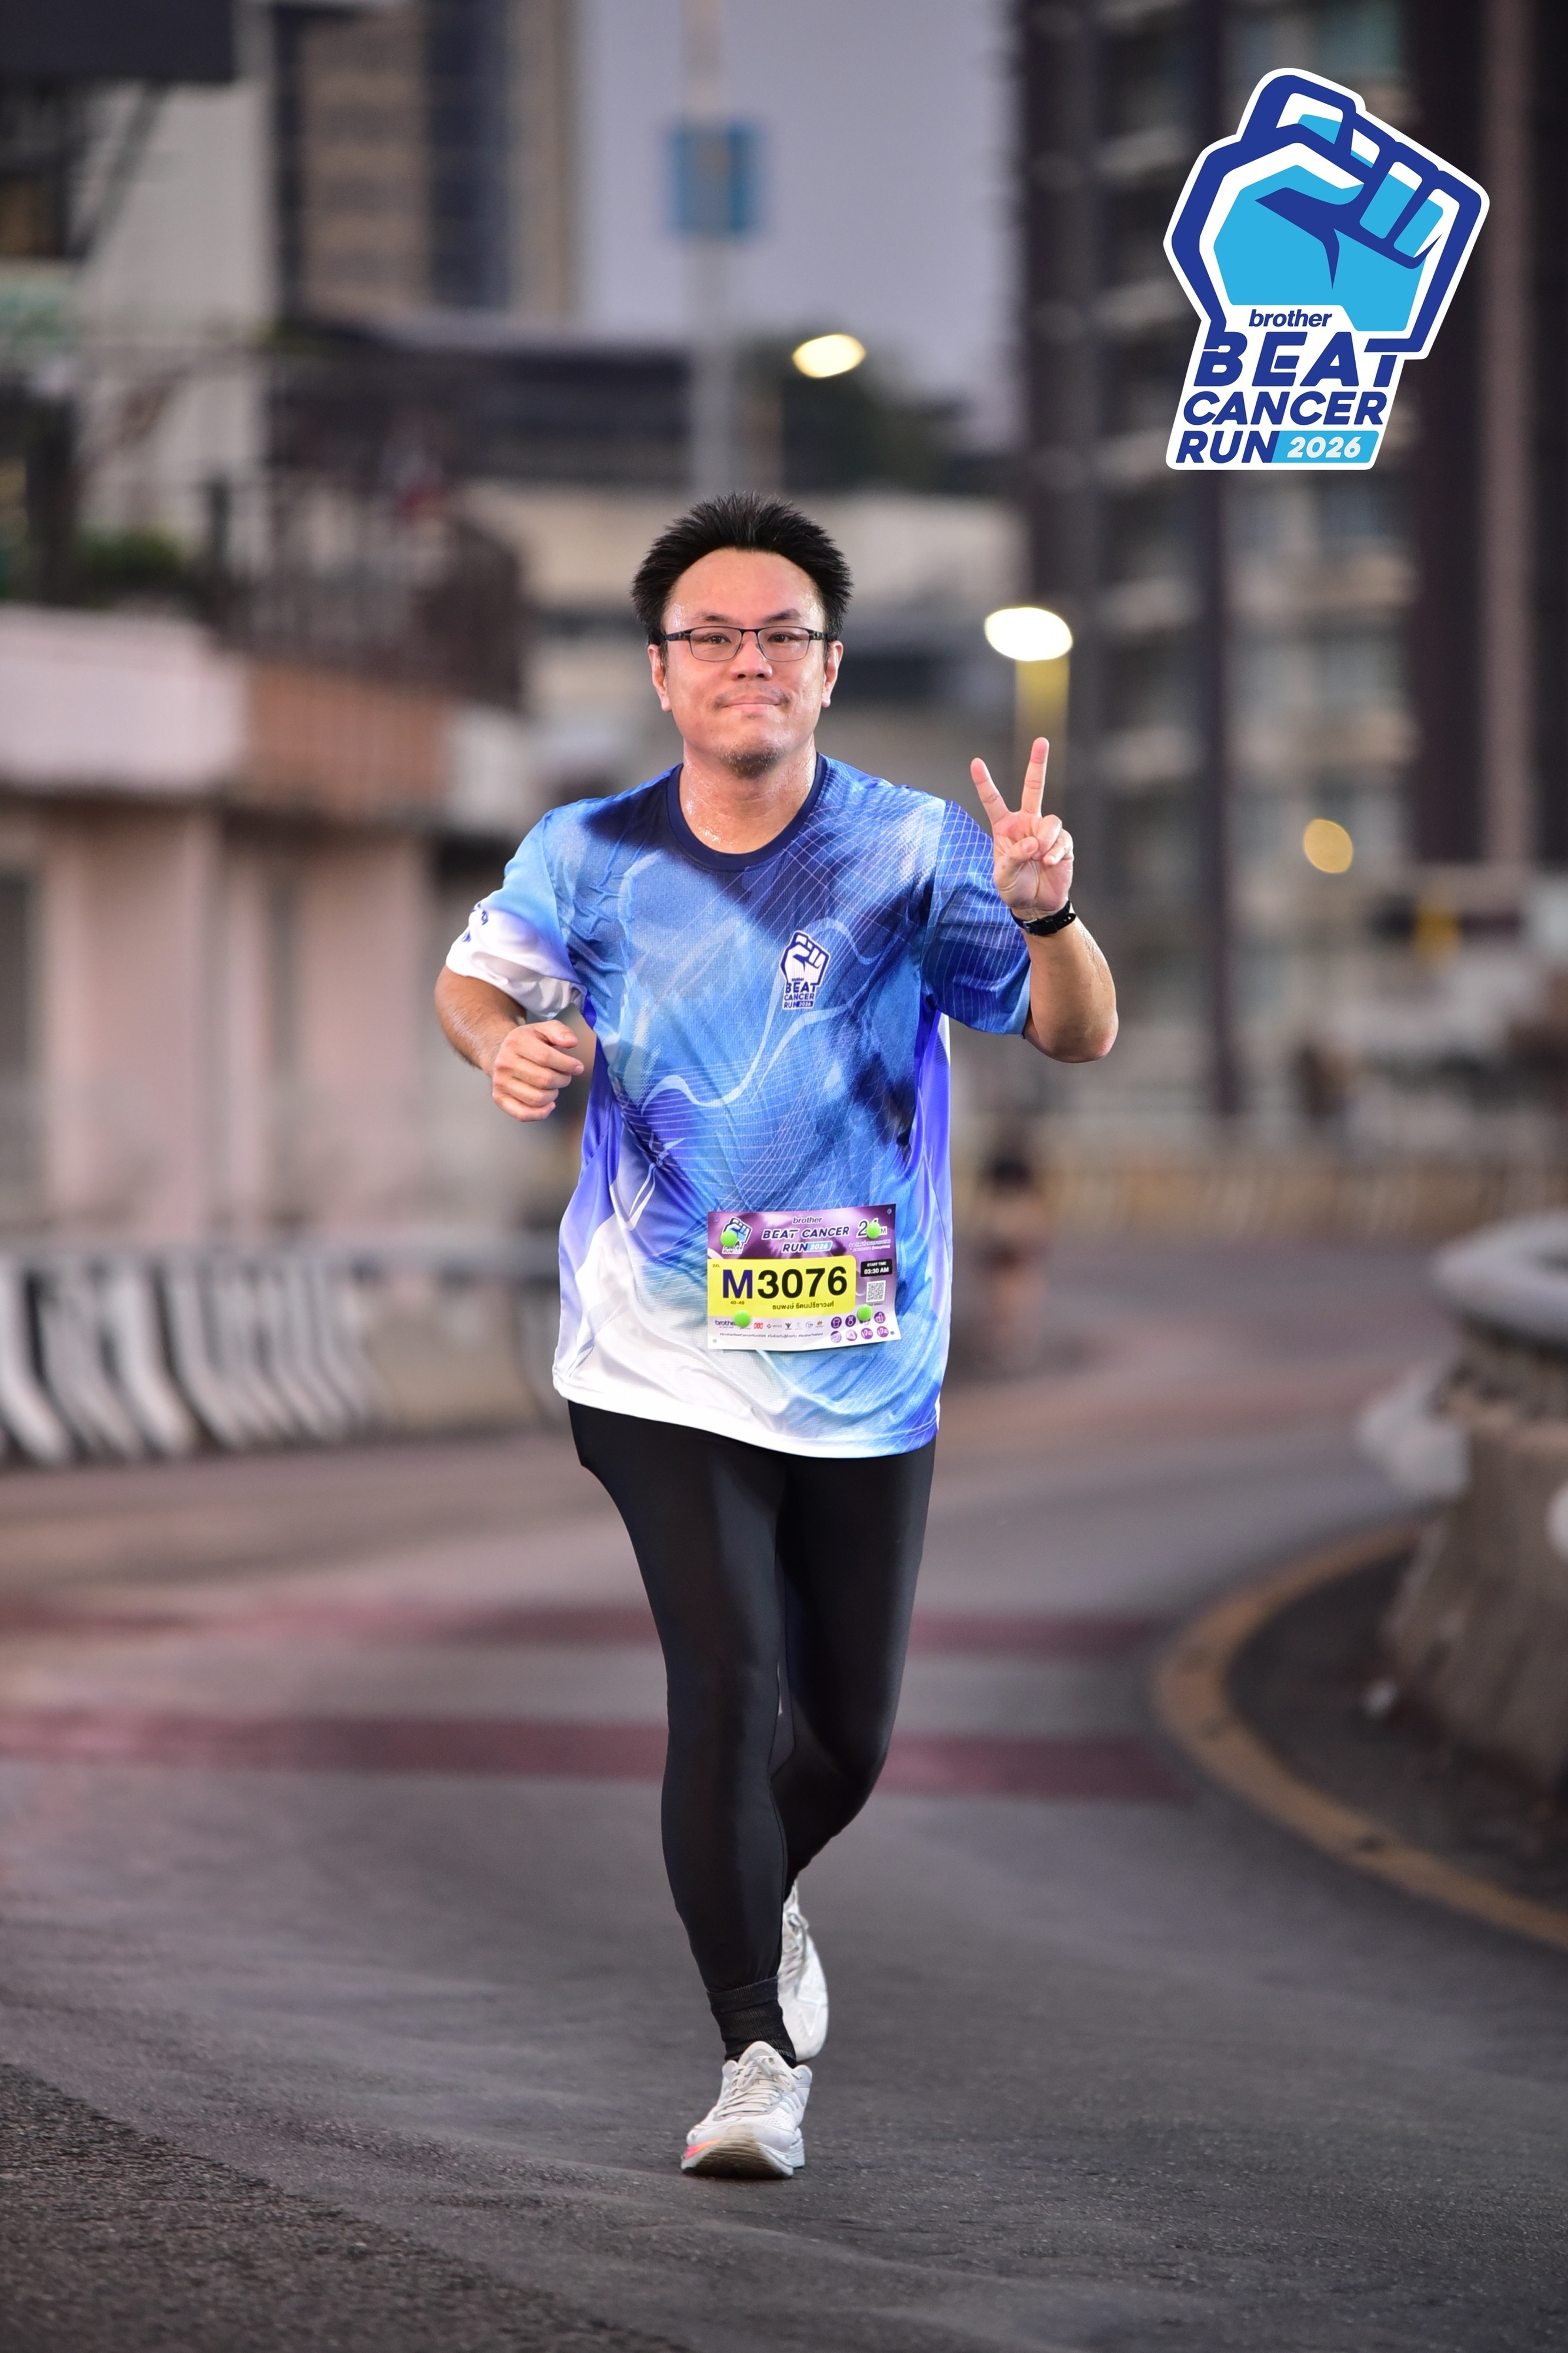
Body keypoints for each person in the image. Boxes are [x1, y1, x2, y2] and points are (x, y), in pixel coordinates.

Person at [435, 494, 1117, 2179]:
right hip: (652, 1349)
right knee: (728, 1678)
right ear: (662, 672)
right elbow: (473, 981)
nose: (750, 660)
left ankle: (759, 1886)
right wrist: (503, 1046)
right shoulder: (587, 851)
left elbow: (1078, 1034)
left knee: (848, 1740)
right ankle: (753, 2054)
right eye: (713, 636)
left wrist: (1047, 913)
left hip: (866, 1362)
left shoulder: (916, 848)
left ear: (825, 667)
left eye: (782, 635)